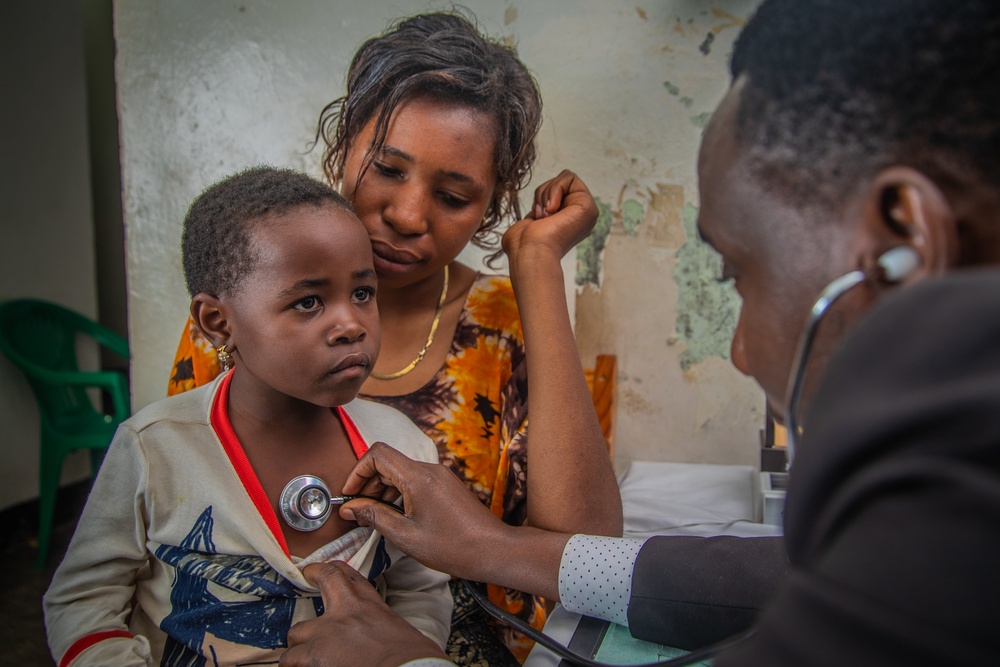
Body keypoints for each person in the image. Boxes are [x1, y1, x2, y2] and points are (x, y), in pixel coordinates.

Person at [274, 1, 1000, 665]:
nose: (740, 351)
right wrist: (491, 546)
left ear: (906, 239)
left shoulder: (945, 533)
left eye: (738, 274)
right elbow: (790, 574)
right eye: (387, 169)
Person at [165, 12, 622, 665]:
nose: (408, 215)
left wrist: (538, 267)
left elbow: (589, 552)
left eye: (455, 195)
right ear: (342, 147)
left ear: (492, 206)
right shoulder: (240, 308)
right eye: (387, 168)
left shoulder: (501, 326)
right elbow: (176, 503)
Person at [43, 167, 453, 666]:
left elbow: (419, 591)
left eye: (363, 293)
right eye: (308, 301)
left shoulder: (401, 448)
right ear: (218, 322)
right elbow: (84, 600)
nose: (351, 324)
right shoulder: (155, 448)